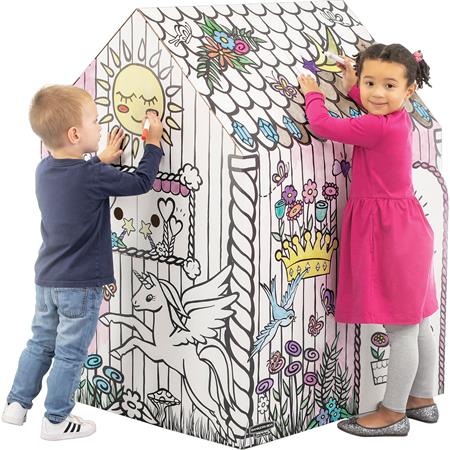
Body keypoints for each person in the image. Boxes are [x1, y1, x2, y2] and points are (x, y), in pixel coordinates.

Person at [1, 85, 164, 440]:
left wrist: (99, 159)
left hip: (47, 280)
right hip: (81, 285)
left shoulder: (44, 169)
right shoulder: (92, 176)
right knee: (70, 353)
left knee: (40, 343)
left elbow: (76, 176)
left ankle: (16, 404)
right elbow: (141, 182)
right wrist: (153, 143)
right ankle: (56, 420)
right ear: (75, 134)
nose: (100, 126)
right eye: (94, 121)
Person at [298, 44, 439, 437]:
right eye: (370, 82)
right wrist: (352, 85)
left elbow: (323, 126)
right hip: (407, 227)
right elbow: (374, 103)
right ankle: (421, 398)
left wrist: (313, 93)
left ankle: (392, 413)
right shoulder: (398, 118)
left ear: (409, 90)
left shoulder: (376, 127)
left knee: (401, 327)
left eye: (388, 85)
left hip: (390, 234)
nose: (376, 93)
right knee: (416, 320)